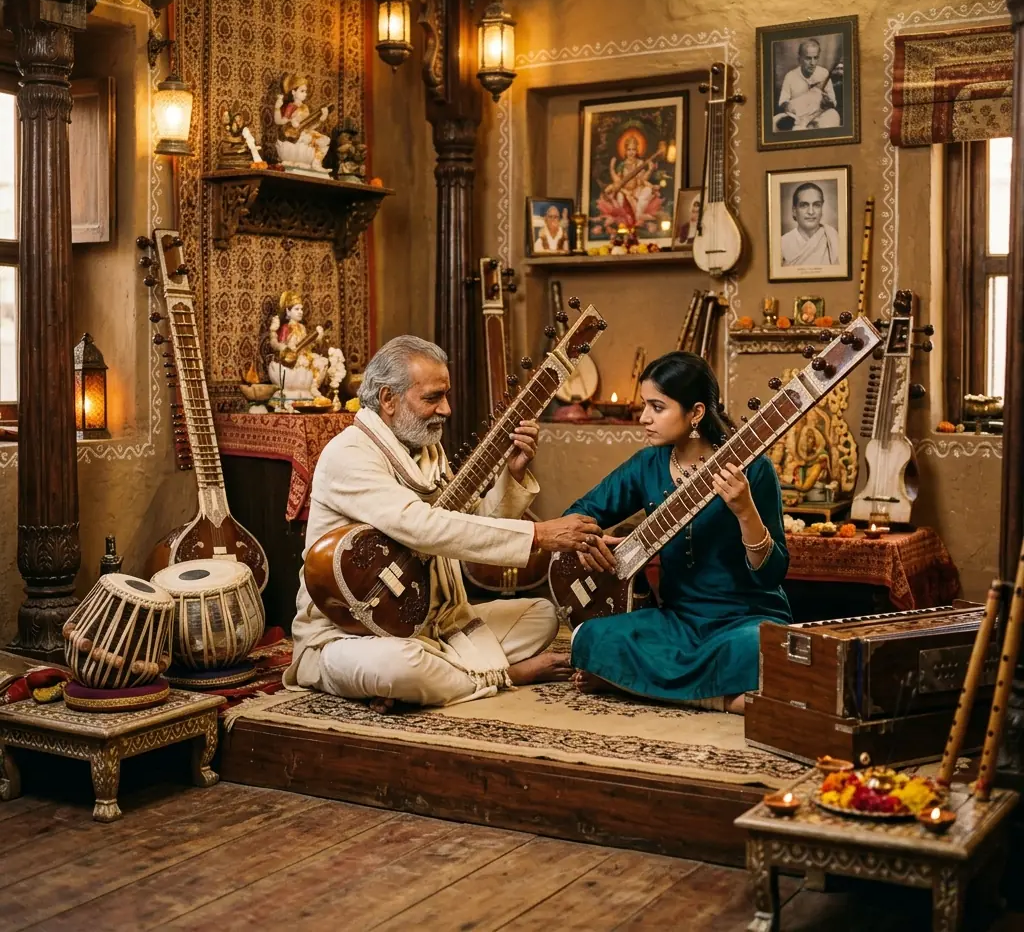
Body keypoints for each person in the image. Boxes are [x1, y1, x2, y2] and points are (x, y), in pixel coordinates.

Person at [284, 335, 607, 712]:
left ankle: (440, 676)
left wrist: (512, 476)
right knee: (400, 666)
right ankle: (504, 675)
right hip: (348, 633)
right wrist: (539, 535)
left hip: (430, 623)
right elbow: (423, 527)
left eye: (446, 395)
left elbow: (465, 534)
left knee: (542, 616)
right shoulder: (349, 454)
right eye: (433, 397)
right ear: (388, 399)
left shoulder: (426, 456)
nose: (447, 409)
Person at [564, 351, 791, 715]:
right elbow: (577, 515)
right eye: (644, 406)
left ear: (696, 413)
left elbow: (771, 574)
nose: (644, 418)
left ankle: (632, 683)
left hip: (743, 618)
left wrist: (746, 510)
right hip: (677, 621)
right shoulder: (648, 465)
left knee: (761, 648)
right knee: (590, 636)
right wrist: (590, 542)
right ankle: (724, 699)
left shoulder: (752, 468)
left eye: (657, 407)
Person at [775, 39, 841, 131]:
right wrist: (789, 107)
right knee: (775, 121)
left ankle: (811, 127)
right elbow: (782, 101)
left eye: (816, 58)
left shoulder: (823, 73)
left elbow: (833, 101)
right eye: (808, 58)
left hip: (818, 116)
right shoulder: (790, 76)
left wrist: (827, 102)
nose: (812, 63)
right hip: (796, 117)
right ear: (800, 59)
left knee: (833, 115)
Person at [779, 183, 841, 268]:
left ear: (821, 209)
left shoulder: (832, 237)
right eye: (804, 205)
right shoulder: (782, 243)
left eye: (816, 205)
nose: (811, 212)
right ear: (794, 211)